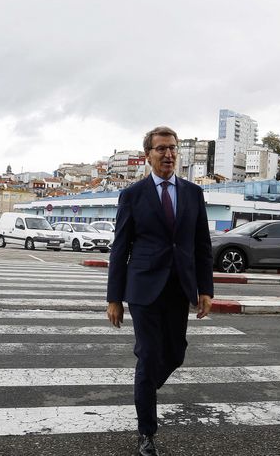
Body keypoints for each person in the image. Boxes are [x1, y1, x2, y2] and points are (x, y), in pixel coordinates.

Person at [106, 126, 214, 456]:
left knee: (176, 352)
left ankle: (145, 386)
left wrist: (205, 289)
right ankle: (146, 432)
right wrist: (114, 297)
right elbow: (120, 247)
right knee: (149, 355)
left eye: (173, 148)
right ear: (148, 155)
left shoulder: (193, 193)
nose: (168, 154)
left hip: (179, 287)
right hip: (143, 288)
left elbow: (202, 245)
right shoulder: (133, 195)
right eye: (161, 149)